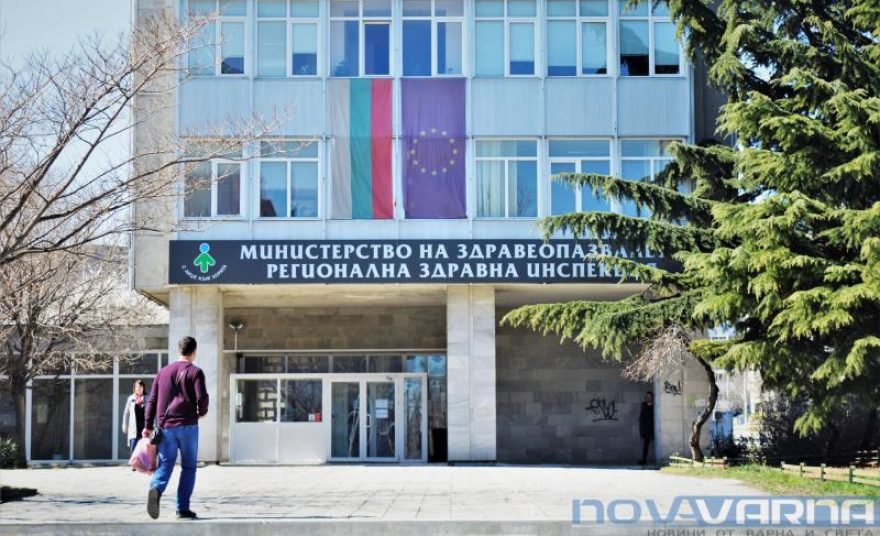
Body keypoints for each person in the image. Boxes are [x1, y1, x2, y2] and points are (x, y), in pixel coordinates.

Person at [143, 336, 209, 520]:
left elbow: (152, 400)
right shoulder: (195, 372)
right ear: (194, 351)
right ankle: (182, 508)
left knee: (165, 464)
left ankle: (156, 488)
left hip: (165, 427)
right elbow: (202, 397)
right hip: (188, 426)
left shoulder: (163, 372)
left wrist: (147, 426)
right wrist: (202, 412)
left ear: (179, 350)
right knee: (188, 467)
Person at [122, 380, 147, 468]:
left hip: (144, 426)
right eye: (137, 387)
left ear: (143, 388)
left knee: (143, 446)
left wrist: (153, 424)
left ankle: (142, 464)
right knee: (134, 445)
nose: (139, 389)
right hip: (134, 427)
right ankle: (134, 464)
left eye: (141, 387)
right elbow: (126, 413)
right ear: (134, 388)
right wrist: (124, 424)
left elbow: (151, 412)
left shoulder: (147, 398)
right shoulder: (131, 398)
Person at [638, 391, 655, 465]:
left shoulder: (655, 405)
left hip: (654, 426)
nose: (648, 397)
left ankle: (658, 458)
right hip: (646, 428)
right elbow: (641, 417)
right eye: (647, 396)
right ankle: (644, 460)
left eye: (650, 396)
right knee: (646, 444)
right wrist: (641, 429)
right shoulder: (643, 405)